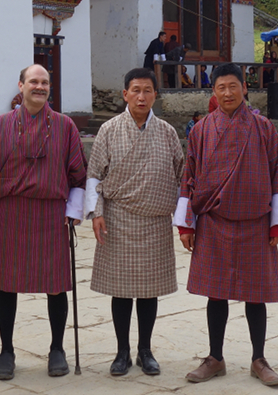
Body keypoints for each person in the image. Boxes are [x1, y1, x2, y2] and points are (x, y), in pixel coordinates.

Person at [175, 63, 278, 387]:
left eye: (233, 86)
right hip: (213, 220)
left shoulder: (264, 127)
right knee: (216, 294)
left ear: (245, 89)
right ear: (214, 92)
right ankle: (215, 357)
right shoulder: (200, 130)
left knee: (257, 295)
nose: (227, 93)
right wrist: (186, 225)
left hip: (255, 221)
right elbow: (190, 177)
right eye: (221, 87)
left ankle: (259, 358)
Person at [0, 64, 88, 380]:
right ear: (21, 85)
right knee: (7, 284)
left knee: (56, 286)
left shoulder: (65, 125)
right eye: (33, 81)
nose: (39, 87)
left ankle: (57, 348)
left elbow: (78, 174)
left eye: (44, 82)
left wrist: (73, 211)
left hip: (51, 214)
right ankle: (6, 350)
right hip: (12, 212)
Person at [85, 67, 184, 376]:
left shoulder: (167, 132)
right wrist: (97, 212)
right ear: (124, 94)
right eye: (135, 90)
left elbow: (181, 175)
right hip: (118, 218)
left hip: (155, 220)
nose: (141, 96)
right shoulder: (109, 129)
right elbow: (94, 175)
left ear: (155, 95)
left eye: (148, 91)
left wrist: (183, 219)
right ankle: (122, 351)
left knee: (148, 290)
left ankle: (145, 349)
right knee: (121, 290)